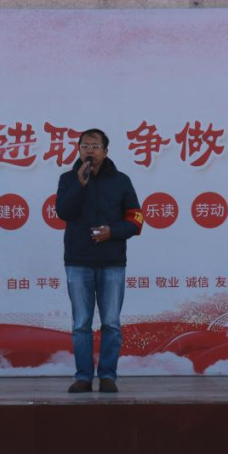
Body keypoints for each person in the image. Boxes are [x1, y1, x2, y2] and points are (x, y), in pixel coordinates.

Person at [55, 128, 143, 393]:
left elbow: (136, 220)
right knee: (81, 323)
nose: (89, 151)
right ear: (78, 150)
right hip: (78, 261)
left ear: (105, 151)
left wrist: (112, 232)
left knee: (111, 323)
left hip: (112, 262)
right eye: (84, 146)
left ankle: (107, 376)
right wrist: (80, 185)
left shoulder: (121, 181)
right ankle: (83, 377)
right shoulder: (68, 179)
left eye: (95, 146)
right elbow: (63, 212)